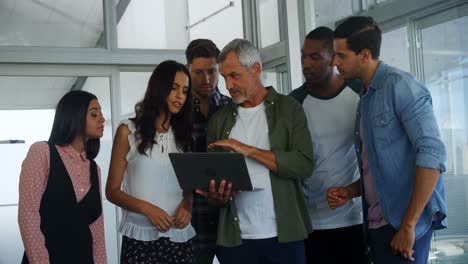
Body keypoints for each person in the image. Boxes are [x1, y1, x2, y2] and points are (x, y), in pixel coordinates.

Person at [328, 16, 447, 264]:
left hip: (403, 225)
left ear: (364, 55)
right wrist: (350, 191)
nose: (334, 62)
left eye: (341, 55)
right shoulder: (365, 98)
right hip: (377, 226)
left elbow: (432, 156)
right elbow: (381, 167)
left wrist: (409, 226)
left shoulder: (401, 86)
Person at [198, 39, 314, 264]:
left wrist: (246, 150)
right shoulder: (218, 121)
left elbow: (304, 164)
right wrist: (217, 196)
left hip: (285, 238)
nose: (228, 85)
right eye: (224, 78)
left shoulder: (289, 109)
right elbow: (214, 187)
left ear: (256, 69)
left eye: (234, 76)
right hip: (235, 241)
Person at [289, 26, 367, 264]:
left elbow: (371, 156)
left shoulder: (359, 93)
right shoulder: (294, 103)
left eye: (314, 57)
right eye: (303, 56)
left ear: (333, 58)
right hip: (311, 223)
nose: (306, 63)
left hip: (356, 219)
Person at [106, 60, 195, 263]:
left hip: (179, 238)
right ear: (159, 88)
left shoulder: (185, 135)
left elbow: (188, 186)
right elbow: (111, 191)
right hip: (140, 240)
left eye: (185, 90)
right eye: (174, 88)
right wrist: (148, 209)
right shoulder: (127, 131)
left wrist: (187, 205)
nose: (180, 95)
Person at [18, 90, 107, 263]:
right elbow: (28, 216)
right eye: (94, 114)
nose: (102, 119)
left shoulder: (94, 169)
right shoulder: (42, 152)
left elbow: (97, 231)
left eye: (101, 113)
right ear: (74, 116)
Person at [185, 39, 231, 264]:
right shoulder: (177, 112)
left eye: (212, 72)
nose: (206, 80)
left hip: (229, 219)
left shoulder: (232, 109)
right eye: (199, 72)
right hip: (188, 221)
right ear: (187, 70)